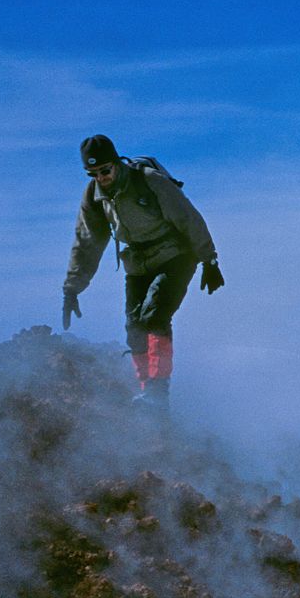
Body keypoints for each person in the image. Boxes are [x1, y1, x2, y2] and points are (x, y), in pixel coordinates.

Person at [61, 134, 223, 406]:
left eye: (105, 170)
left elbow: (188, 217)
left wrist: (210, 260)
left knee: (155, 316)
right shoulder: (94, 196)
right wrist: (72, 288)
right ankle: (148, 390)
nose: (101, 177)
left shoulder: (148, 180)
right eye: (93, 173)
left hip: (175, 256)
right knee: (134, 327)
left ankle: (159, 393)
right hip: (137, 264)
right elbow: (86, 242)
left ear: (116, 163)